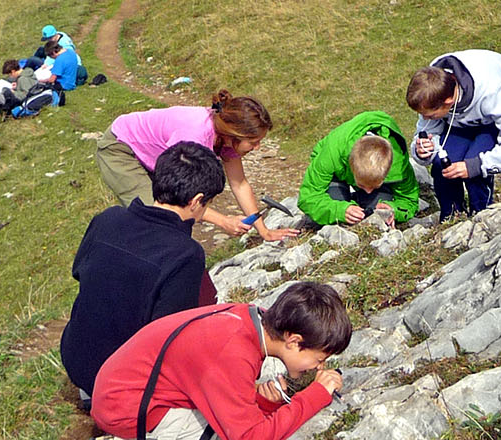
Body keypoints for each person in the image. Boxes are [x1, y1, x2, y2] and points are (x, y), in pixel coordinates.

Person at [61, 142, 226, 403]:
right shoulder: (186, 253)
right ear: (196, 202)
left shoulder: (108, 218)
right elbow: (170, 335)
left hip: (76, 357)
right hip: (117, 382)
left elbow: (79, 272)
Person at [90, 282, 349, 440]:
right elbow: (248, 437)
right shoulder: (230, 352)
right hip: (127, 411)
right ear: (293, 341)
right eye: (319, 358)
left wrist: (262, 405)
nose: (318, 367)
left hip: (130, 390)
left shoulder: (252, 319)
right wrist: (315, 396)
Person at [97, 93, 298, 241]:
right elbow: (182, 198)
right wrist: (223, 221)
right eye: (254, 142)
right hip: (122, 148)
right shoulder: (194, 136)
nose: (257, 147)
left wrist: (264, 231)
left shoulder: (227, 140)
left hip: (157, 156)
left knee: (171, 220)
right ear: (234, 133)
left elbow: (239, 184)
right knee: (159, 215)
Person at [407, 50, 501, 219]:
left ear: (448, 102)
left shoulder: (493, 91)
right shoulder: (433, 85)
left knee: (474, 164)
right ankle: (452, 216)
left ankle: (482, 214)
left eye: (429, 116)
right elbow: (426, 131)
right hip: (463, 119)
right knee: (443, 164)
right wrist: (422, 150)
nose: (425, 119)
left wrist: (475, 166)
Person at [296, 111, 419, 227]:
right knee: (334, 211)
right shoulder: (331, 155)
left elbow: (409, 200)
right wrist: (339, 211)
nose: (368, 191)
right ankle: (346, 197)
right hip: (338, 171)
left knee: (375, 212)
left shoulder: (398, 164)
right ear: (351, 167)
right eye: (361, 185)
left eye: (375, 186)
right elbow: (308, 198)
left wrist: (393, 209)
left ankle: (359, 198)